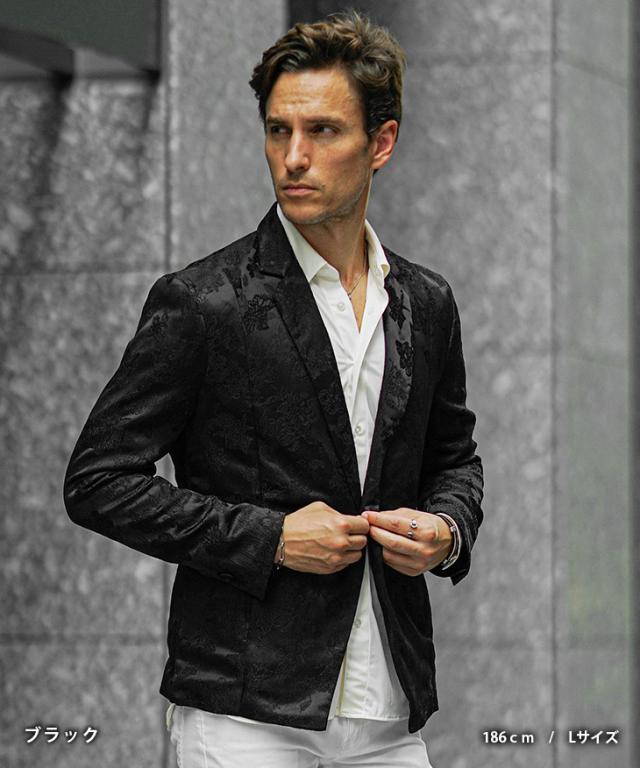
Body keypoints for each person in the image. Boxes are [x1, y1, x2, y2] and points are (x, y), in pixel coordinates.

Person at [64, 11, 483, 768]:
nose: (293, 157)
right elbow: (98, 481)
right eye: (278, 130)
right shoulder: (204, 301)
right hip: (242, 713)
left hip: (391, 711)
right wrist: (272, 539)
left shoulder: (426, 303)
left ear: (381, 142)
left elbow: (454, 458)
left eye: (323, 131)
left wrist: (447, 530)